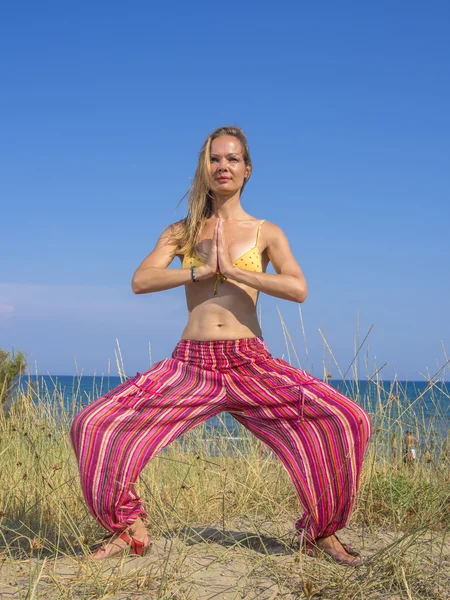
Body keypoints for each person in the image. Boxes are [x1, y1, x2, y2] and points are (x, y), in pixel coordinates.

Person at [70, 126, 372, 565]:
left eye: (232, 159)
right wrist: (198, 272)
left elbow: (297, 288)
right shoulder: (182, 231)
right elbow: (141, 280)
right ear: (205, 167)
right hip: (190, 366)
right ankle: (129, 529)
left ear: (247, 170)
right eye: (215, 159)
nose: (223, 166)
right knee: (91, 424)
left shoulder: (266, 231)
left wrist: (235, 271)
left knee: (350, 420)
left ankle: (322, 531)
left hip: (250, 362)